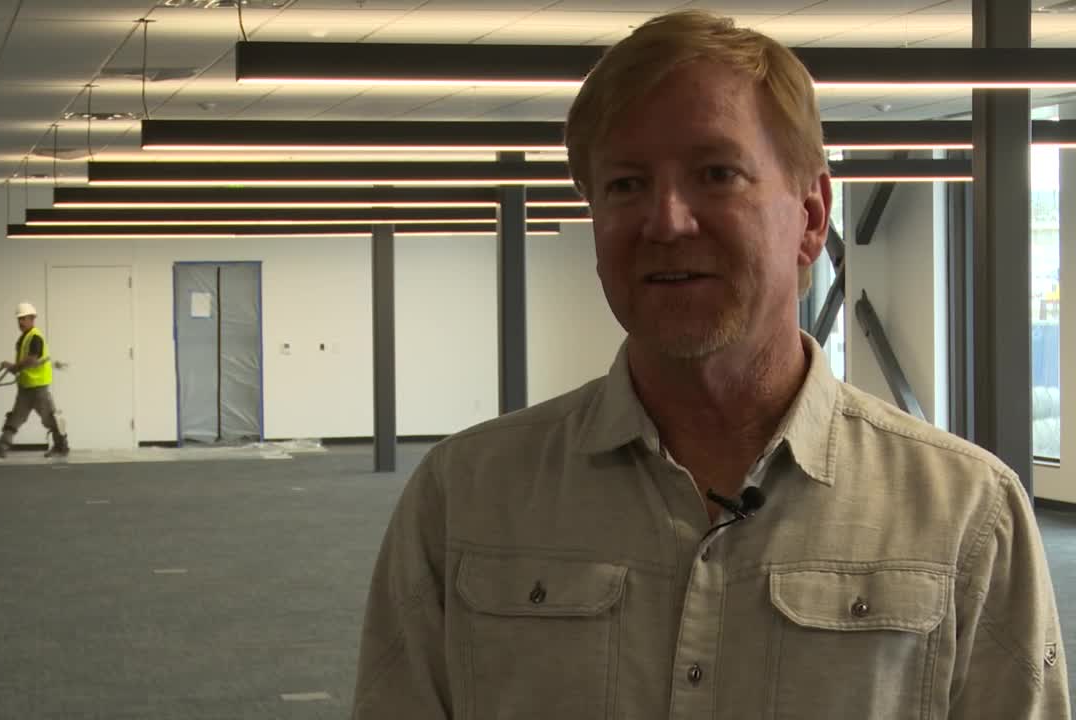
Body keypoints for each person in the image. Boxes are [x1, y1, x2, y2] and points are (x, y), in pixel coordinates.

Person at [351, 10, 1069, 720]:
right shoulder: (465, 499)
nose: (667, 221)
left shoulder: (967, 514)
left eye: (717, 174)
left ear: (811, 216)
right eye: (625, 184)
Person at [0, 302, 69, 458]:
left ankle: (61, 447)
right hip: (25, 387)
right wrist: (15, 368)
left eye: (24, 318)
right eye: (19, 319)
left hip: (38, 387)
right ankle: (2, 446)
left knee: (50, 419)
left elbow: (32, 359)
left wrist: (14, 367)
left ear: (32, 318)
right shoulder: (24, 338)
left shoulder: (35, 337)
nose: (21, 322)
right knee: (15, 417)